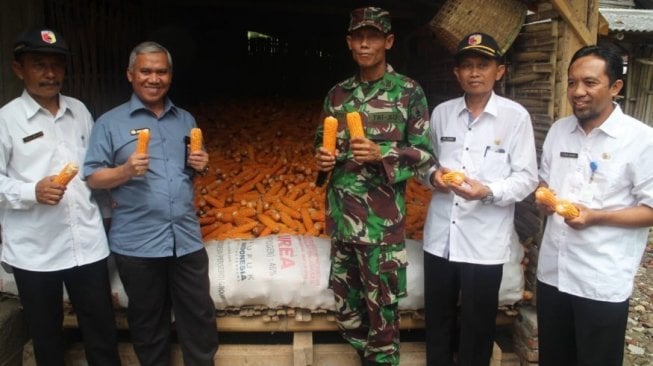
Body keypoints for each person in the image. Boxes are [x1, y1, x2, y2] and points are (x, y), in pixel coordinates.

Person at [83, 41, 219, 366]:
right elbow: (92, 178)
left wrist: (202, 164)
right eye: (146, 71)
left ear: (170, 76)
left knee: (200, 320)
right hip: (138, 245)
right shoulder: (109, 123)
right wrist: (125, 171)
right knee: (149, 326)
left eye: (161, 72)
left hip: (185, 239)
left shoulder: (186, 119)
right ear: (131, 75)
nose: (153, 79)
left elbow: (188, 172)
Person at [314, 7, 436, 366]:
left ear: (388, 41)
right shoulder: (337, 95)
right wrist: (322, 160)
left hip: (381, 228)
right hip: (342, 221)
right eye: (358, 36)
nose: (365, 43)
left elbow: (425, 156)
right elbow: (323, 145)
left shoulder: (408, 92)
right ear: (350, 43)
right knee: (346, 310)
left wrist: (380, 151)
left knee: (382, 316)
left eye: (373, 36)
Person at [0, 28, 121, 365]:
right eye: (39, 64)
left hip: (87, 244)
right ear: (18, 69)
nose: (50, 73)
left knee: (102, 332)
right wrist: (30, 191)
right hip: (36, 251)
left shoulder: (80, 111)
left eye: (57, 65)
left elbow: (94, 169)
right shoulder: (6, 121)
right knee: (47, 336)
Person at [422, 33, 538, 366]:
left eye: (483, 65)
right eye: (467, 66)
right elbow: (424, 163)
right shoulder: (442, 114)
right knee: (438, 319)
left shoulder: (515, 118)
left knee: (478, 322)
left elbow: (526, 178)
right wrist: (433, 177)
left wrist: (486, 192)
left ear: (499, 71)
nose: (475, 73)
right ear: (456, 73)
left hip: (484, 241)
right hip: (441, 237)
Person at [536, 45, 653, 366]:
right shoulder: (560, 131)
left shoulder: (641, 140)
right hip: (553, 274)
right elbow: (545, 183)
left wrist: (596, 217)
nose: (577, 92)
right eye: (572, 83)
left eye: (589, 83)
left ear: (616, 87)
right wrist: (544, 198)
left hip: (600, 279)